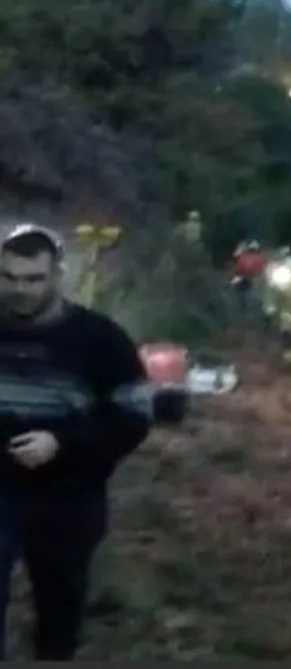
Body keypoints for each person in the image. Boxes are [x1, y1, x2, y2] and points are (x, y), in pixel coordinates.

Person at [0, 224, 152, 659]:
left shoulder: (99, 340)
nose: (20, 290)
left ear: (56, 276)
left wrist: (63, 443)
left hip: (67, 494)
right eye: (9, 278)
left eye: (33, 279)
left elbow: (133, 415)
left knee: (59, 611)